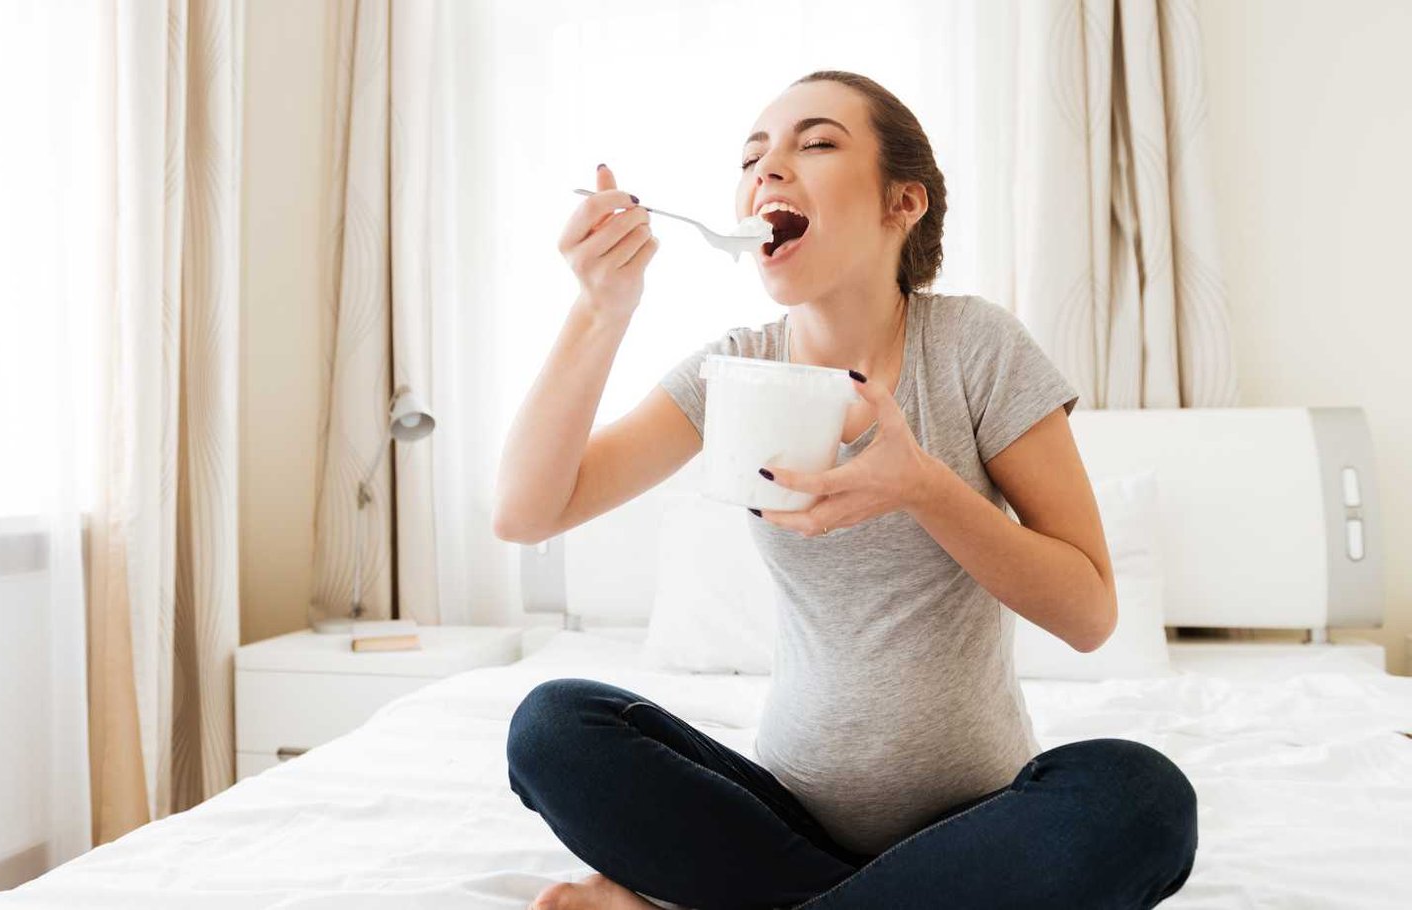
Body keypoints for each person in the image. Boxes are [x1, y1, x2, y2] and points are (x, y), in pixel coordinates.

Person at [491, 70, 1197, 910]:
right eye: (752, 155)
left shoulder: (978, 349)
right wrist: (600, 308)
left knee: (1142, 795)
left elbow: (1089, 614)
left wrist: (924, 488)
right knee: (556, 727)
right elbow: (527, 510)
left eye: (815, 143)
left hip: (983, 828)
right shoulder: (737, 369)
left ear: (905, 203)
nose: (768, 169)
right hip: (781, 824)